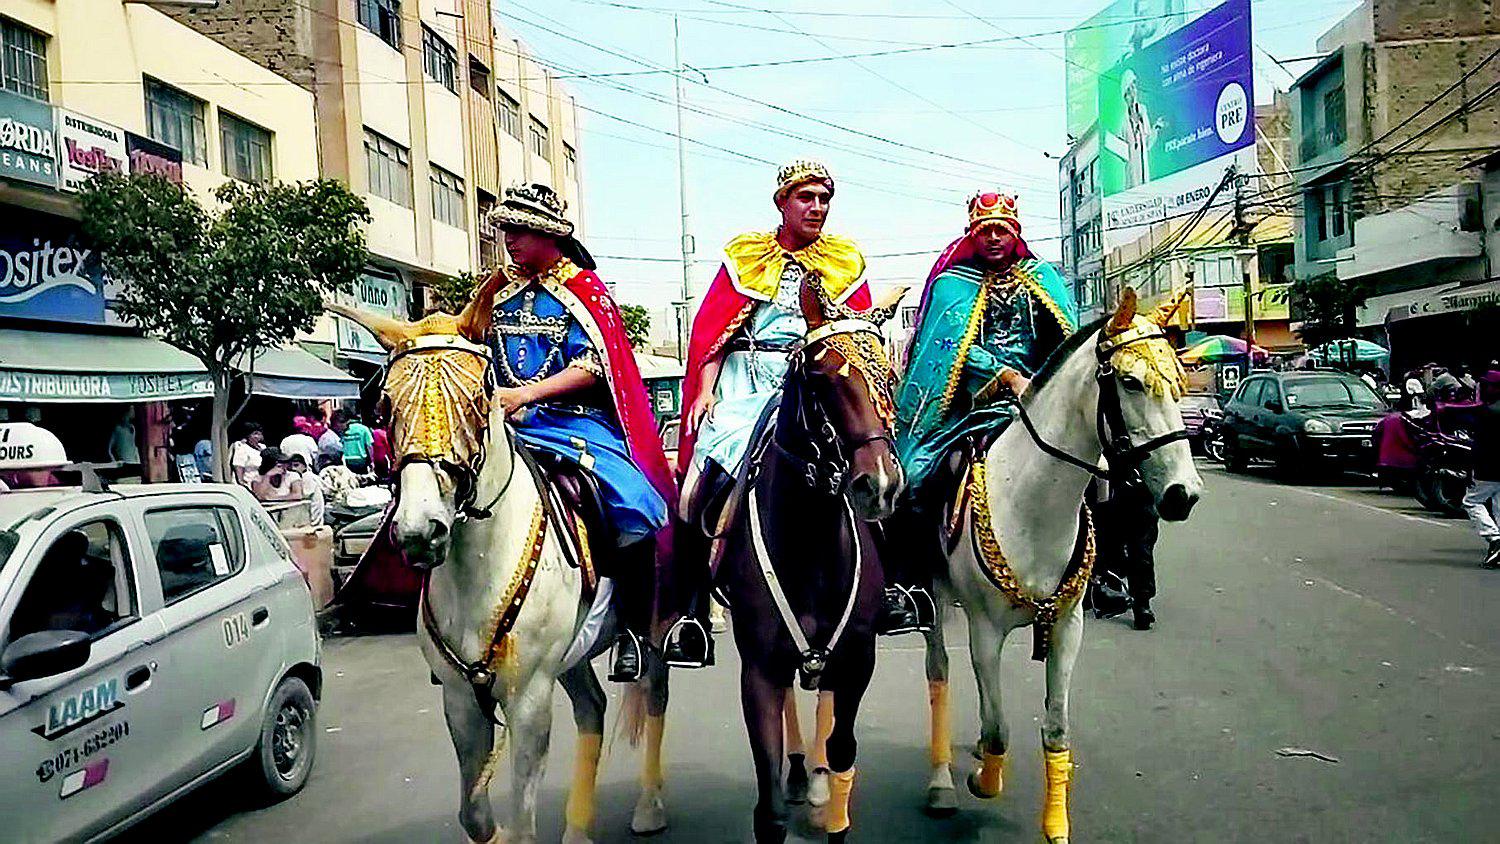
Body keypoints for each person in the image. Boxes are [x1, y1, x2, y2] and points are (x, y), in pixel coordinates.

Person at [484, 181, 687, 681]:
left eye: (520, 230)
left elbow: (594, 366)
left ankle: (634, 633)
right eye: (507, 230)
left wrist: (527, 395)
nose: (510, 239)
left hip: (576, 423)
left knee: (635, 504)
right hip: (504, 424)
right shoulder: (498, 292)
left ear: (547, 234)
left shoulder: (585, 293)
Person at [885, 191, 1078, 634]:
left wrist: (1046, 387)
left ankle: (1103, 571)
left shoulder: (1044, 278)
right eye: (984, 230)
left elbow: (1066, 343)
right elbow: (949, 349)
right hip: (974, 410)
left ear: (1016, 234)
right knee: (915, 474)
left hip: (1040, 405)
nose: (993, 237)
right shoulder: (954, 285)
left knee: (1105, 470)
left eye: (1001, 230)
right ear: (973, 234)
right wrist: (1005, 375)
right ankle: (910, 583)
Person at [679, 159, 871, 520]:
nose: (817, 208)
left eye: (824, 198)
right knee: (699, 484)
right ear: (782, 202)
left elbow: (857, 339)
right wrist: (705, 391)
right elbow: (714, 334)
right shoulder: (747, 255)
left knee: (871, 460)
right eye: (805, 197)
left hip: (816, 384)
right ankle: (696, 570)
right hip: (744, 383)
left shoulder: (843, 259)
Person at [1464, 371, 1500, 569]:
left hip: (1489, 467)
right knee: (1498, 505)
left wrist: (1470, 468)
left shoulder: (1487, 412)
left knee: (1471, 502)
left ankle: (1494, 538)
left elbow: (1479, 445)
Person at [331, 410, 374, 474]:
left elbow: (341, 445)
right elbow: (369, 446)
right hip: (361, 460)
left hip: (348, 461)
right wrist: (372, 461)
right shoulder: (364, 429)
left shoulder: (343, 431)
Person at [287, 454, 325, 526]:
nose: (293, 469)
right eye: (290, 467)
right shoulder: (303, 477)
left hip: (313, 520)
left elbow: (302, 496)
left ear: (304, 466)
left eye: (296, 465)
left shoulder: (307, 477)